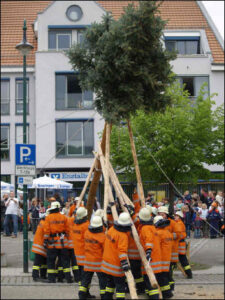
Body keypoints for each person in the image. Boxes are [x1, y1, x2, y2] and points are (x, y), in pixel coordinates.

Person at [102, 211, 132, 300]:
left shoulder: (112, 229)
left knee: (110, 283)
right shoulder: (123, 236)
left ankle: (107, 297)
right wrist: (124, 263)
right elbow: (122, 251)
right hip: (116, 265)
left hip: (107, 264)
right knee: (120, 286)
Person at [43, 201, 72, 283]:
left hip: (52, 244)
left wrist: (45, 241)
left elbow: (47, 230)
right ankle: (67, 278)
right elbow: (68, 230)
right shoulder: (64, 217)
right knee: (65, 262)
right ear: (58, 208)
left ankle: (51, 279)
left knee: (51, 262)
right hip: (63, 243)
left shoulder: (48, 217)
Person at [79, 216, 106, 299]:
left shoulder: (87, 233)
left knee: (86, 280)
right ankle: (103, 296)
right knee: (102, 281)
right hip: (98, 262)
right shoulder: (102, 236)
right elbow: (105, 249)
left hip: (88, 261)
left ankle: (82, 295)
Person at [71, 206, 95, 298]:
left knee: (83, 276)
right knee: (86, 277)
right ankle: (82, 294)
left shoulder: (75, 225)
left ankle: (86, 293)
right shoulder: (86, 225)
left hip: (78, 255)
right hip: (86, 255)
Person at [139, 207, 162, 299]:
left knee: (150, 281)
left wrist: (148, 251)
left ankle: (154, 297)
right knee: (153, 280)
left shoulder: (145, 228)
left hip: (150, 259)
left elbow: (148, 240)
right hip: (156, 257)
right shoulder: (152, 227)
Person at [154, 215, 173, 299]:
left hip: (160, 259)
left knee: (161, 277)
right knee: (165, 276)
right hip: (167, 258)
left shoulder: (158, 233)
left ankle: (167, 294)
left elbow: (156, 246)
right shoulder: (168, 233)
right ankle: (168, 292)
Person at [174, 211, 192, 279]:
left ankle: (189, 274)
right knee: (183, 260)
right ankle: (188, 273)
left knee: (183, 260)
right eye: (175, 215)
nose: (175, 217)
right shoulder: (178, 223)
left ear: (180, 217)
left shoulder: (179, 224)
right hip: (180, 244)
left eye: (176, 216)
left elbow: (178, 234)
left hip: (180, 244)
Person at [32, 211, 49, 281]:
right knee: (38, 262)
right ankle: (35, 276)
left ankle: (43, 275)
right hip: (41, 246)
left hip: (38, 244)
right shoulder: (45, 224)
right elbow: (46, 235)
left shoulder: (42, 222)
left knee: (43, 262)